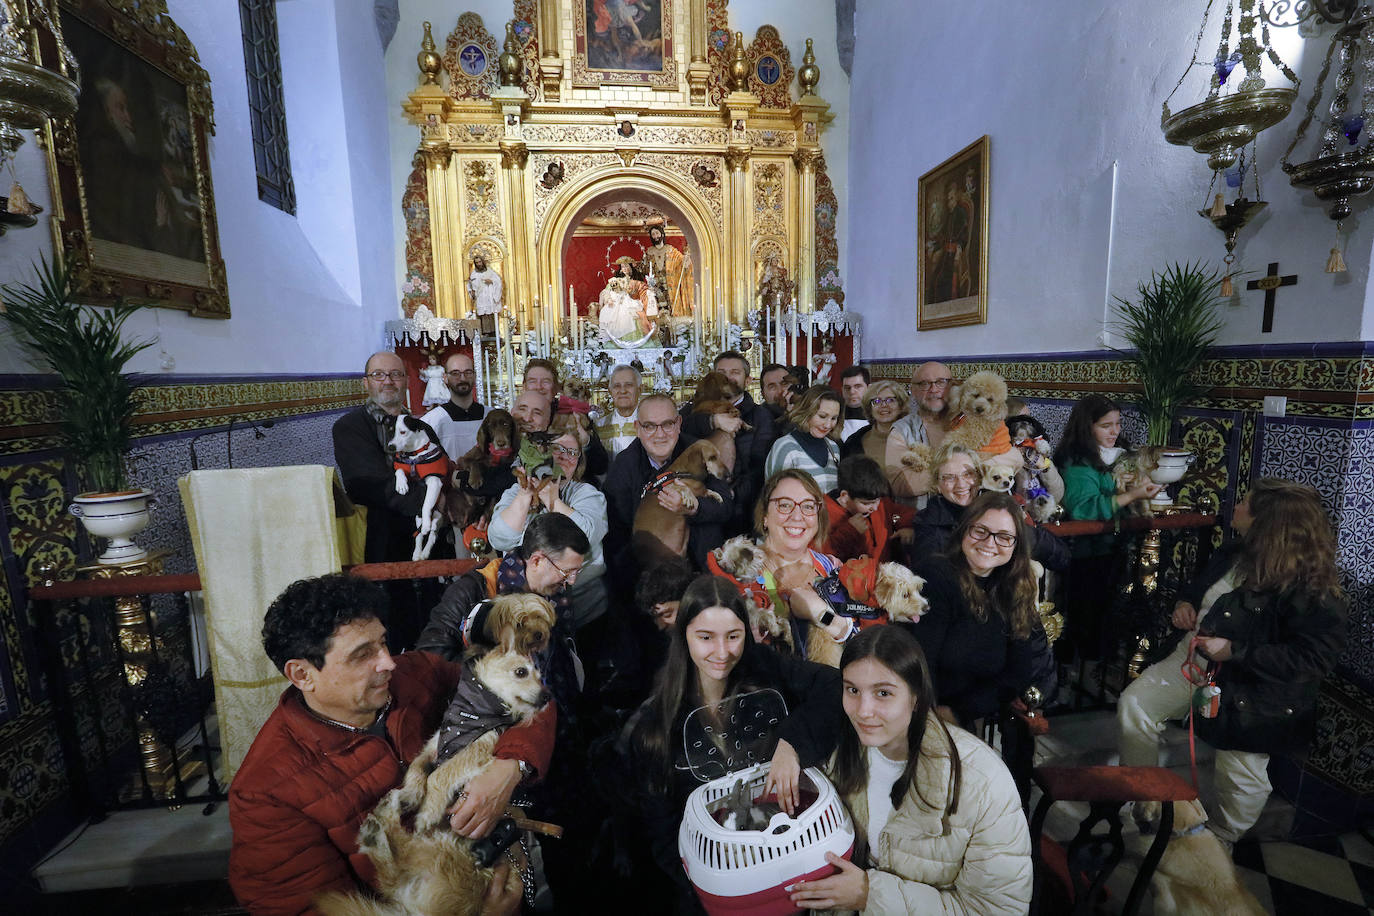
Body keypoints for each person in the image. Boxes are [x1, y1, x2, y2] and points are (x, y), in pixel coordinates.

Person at [228, 574, 553, 916]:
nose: (388, 662)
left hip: (498, 876)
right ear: (302, 675)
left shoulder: (418, 674)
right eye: (362, 655)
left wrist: (510, 766)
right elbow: (311, 909)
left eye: (383, 643)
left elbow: (532, 698)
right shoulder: (266, 793)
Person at [1117, 479, 1348, 846]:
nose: (1235, 506)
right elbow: (1197, 587)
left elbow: (1313, 658)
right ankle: (1147, 802)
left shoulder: (1307, 586)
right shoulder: (1234, 552)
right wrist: (1184, 604)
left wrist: (1234, 651)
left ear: (1266, 522)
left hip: (1250, 689)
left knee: (1240, 771)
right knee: (1136, 706)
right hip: (1192, 661)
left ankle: (1224, 836)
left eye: (1244, 503)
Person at [614, 574, 845, 907]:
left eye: (733, 636)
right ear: (684, 636)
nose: (722, 652)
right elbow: (662, 837)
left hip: (789, 861)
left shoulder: (766, 668)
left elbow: (833, 685)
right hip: (717, 888)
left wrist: (791, 745)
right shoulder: (654, 725)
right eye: (706, 637)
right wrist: (714, 891)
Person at [787, 626, 1032, 914]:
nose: (863, 711)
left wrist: (870, 895)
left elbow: (997, 910)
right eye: (852, 689)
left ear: (915, 697)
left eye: (883, 693)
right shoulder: (841, 750)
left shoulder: (983, 783)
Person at [905, 491, 1057, 728]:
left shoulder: (1018, 585)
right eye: (980, 531)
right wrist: (934, 719)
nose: (989, 543)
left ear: (1016, 544)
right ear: (964, 530)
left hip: (971, 711)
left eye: (1004, 537)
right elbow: (923, 660)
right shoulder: (936, 575)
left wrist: (959, 712)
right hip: (927, 710)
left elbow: (1018, 671)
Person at [332, 352, 439, 646]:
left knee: (433, 620)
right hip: (381, 541)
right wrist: (433, 502)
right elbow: (368, 485)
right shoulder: (349, 427)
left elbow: (436, 473)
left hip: (428, 541)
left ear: (405, 380)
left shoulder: (422, 426)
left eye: (395, 374)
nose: (388, 381)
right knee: (391, 630)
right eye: (379, 375)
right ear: (366, 382)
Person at [1052, 394, 1161, 662]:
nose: (1115, 431)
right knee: (1085, 617)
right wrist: (1132, 495)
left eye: (1117, 424)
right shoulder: (1077, 462)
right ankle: (1078, 676)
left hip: (1111, 547)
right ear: (1086, 427)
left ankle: (1095, 670)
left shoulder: (1117, 456)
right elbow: (1084, 509)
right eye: (1106, 426)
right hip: (1083, 554)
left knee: (1106, 617)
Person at [707, 469, 855, 654]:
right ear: (765, 516)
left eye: (808, 506)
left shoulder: (833, 568)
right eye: (784, 505)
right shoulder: (735, 568)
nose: (797, 516)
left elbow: (861, 645)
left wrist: (822, 614)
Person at [487, 430, 608, 632]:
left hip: (584, 606)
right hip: (525, 604)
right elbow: (499, 539)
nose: (564, 456)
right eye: (557, 448)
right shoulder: (514, 492)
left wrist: (553, 501)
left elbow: (585, 537)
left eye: (572, 452)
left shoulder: (586, 494)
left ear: (579, 462)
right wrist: (525, 496)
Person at [602, 393, 732, 579]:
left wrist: (695, 508)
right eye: (649, 426)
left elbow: (725, 506)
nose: (660, 434)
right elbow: (616, 536)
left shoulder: (700, 450)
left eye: (668, 424)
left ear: (679, 423)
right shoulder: (624, 466)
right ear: (637, 428)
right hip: (651, 573)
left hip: (703, 567)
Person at [907, 442, 1068, 571]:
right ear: (937, 485)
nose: (961, 484)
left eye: (968, 474)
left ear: (979, 476)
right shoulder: (929, 523)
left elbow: (1060, 556)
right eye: (949, 478)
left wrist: (1016, 535)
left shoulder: (996, 510)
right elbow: (931, 578)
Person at [680, 350, 777, 534]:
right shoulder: (694, 409)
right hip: (700, 505)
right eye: (722, 372)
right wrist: (712, 421)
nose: (728, 377)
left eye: (735, 372)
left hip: (742, 511)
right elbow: (678, 428)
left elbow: (761, 466)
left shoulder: (760, 415)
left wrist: (734, 494)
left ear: (747, 380)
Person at [823, 454, 914, 564]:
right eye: (866, 503)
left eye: (877, 500)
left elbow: (900, 513)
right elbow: (824, 555)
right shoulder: (824, 515)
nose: (875, 508)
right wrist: (850, 531)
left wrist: (907, 527)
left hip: (884, 576)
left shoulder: (879, 502)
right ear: (845, 496)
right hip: (852, 579)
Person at [524, 359, 609, 477]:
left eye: (545, 381)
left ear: (556, 388)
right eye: (532, 381)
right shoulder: (515, 420)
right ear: (524, 386)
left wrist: (586, 443)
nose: (539, 387)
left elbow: (601, 466)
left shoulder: (577, 414)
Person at [889, 361, 955, 506]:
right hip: (918, 521)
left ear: (951, 386)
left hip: (967, 521)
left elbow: (1009, 459)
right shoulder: (901, 430)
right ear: (913, 390)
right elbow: (901, 484)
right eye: (924, 384)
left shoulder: (967, 423)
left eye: (941, 382)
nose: (933, 389)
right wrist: (957, 470)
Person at [765, 385, 843, 495]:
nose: (828, 424)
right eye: (822, 416)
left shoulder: (833, 448)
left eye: (834, 418)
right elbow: (774, 495)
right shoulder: (785, 447)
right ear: (806, 412)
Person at [421, 351, 485, 462]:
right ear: (445, 378)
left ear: (474, 376)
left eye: (468, 372)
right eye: (455, 373)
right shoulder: (430, 422)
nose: (462, 378)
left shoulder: (490, 417)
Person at [840, 379, 907, 470]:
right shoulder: (853, 442)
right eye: (877, 401)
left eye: (890, 400)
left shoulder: (916, 437)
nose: (883, 405)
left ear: (901, 405)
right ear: (869, 408)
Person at [640, 223, 693, 316]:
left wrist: (686, 261)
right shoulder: (649, 253)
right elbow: (643, 269)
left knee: (671, 313)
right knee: (656, 313)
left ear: (662, 234)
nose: (655, 236)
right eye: (653, 234)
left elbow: (682, 264)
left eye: (657, 233)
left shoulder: (671, 251)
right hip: (655, 289)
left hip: (670, 288)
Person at [596, 364, 642, 460]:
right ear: (610, 391)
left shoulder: (652, 424)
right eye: (617, 386)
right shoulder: (599, 425)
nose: (623, 391)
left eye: (628, 385)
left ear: (639, 390)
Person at [468, 254, 503, 335]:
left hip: (489, 298)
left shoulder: (489, 272)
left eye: (480, 262)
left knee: (490, 315)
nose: (479, 264)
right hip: (480, 299)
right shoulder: (473, 274)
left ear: (483, 262)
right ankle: (484, 334)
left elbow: (498, 282)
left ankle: (493, 333)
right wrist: (471, 292)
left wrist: (491, 281)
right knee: (482, 316)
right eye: (476, 263)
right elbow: (470, 286)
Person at [839, 366, 870, 439]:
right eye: (847, 388)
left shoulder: (879, 417)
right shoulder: (834, 417)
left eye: (858, 386)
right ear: (842, 390)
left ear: (869, 388)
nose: (852, 392)